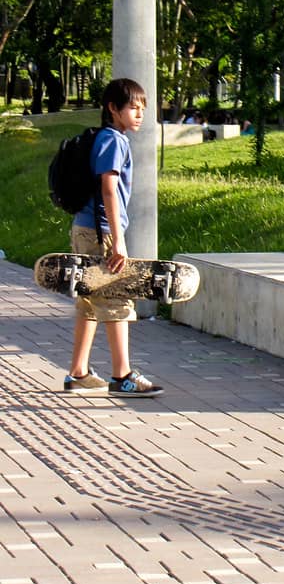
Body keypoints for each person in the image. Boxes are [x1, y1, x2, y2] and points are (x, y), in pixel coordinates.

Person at [63, 78, 163, 398]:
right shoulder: (114, 140)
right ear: (112, 109)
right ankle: (122, 375)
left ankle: (78, 372)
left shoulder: (103, 138)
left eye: (142, 109)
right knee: (118, 297)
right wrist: (117, 238)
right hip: (102, 232)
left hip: (86, 227)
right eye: (132, 107)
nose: (139, 114)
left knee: (91, 300)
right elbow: (109, 187)